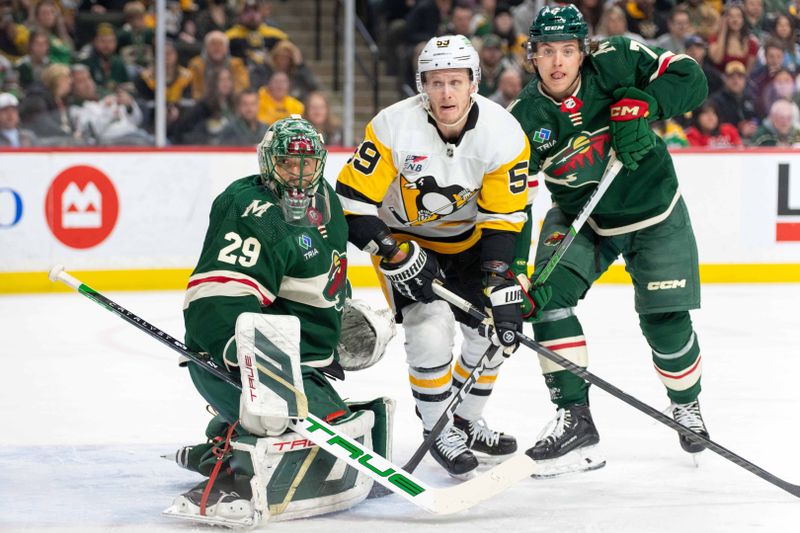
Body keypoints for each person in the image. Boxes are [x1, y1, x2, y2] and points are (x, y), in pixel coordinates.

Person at [508, 4, 709, 477]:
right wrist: (514, 268)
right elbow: (512, 202)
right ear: (532, 56)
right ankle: (575, 418)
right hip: (585, 218)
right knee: (546, 297)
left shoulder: (618, 59)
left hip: (656, 210)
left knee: (664, 320)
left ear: (585, 52)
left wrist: (646, 103)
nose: (558, 62)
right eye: (547, 51)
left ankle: (687, 405)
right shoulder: (523, 118)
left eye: (568, 50)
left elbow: (691, 77)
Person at [336, 34, 549, 479]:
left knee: (491, 332)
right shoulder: (394, 126)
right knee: (430, 327)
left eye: (455, 81)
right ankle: (437, 429)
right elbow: (351, 203)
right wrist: (391, 251)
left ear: (474, 83)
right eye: (436, 82)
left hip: (471, 243)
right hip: (404, 241)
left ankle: (466, 422)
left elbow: (505, 217)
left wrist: (498, 277)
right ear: (422, 86)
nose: (446, 93)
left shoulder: (505, 134)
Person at [165, 116, 394, 526]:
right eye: (289, 163)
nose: (300, 174)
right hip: (233, 360)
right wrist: (249, 358)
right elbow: (215, 300)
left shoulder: (326, 199)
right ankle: (228, 468)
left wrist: (337, 329)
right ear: (268, 162)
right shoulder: (255, 212)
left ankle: (220, 440)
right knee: (319, 426)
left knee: (325, 427)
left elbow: (318, 282)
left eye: (308, 164)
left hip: (297, 359)